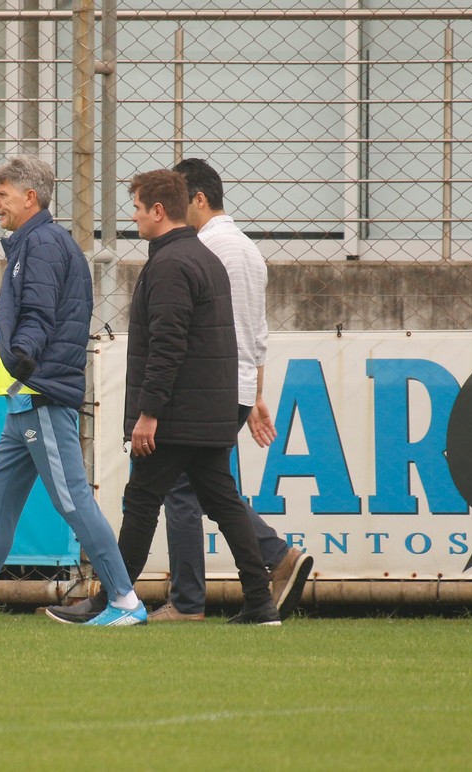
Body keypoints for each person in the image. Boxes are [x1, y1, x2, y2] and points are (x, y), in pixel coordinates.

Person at [0, 156, 147, 626]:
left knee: (70, 497)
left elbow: (39, 313)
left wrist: (23, 358)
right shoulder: (36, 242)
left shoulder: (41, 244)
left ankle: (125, 601)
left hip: (39, 392)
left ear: (30, 198)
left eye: (2, 194)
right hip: (25, 398)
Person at [49, 169, 280, 626]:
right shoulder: (203, 256)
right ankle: (260, 601)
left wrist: (149, 413)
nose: (133, 216)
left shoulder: (172, 264)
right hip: (207, 409)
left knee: (141, 501)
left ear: (158, 211)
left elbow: (168, 344)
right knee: (222, 501)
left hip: (178, 413)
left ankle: (115, 598)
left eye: (136, 206)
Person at [145, 158, 314, 623]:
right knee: (207, 483)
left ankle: (188, 600)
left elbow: (201, 329)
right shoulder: (247, 249)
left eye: (181, 200)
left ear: (197, 199)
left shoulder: (203, 248)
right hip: (235, 383)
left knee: (182, 487)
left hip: (208, 384)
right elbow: (255, 332)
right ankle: (273, 559)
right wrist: (254, 394)